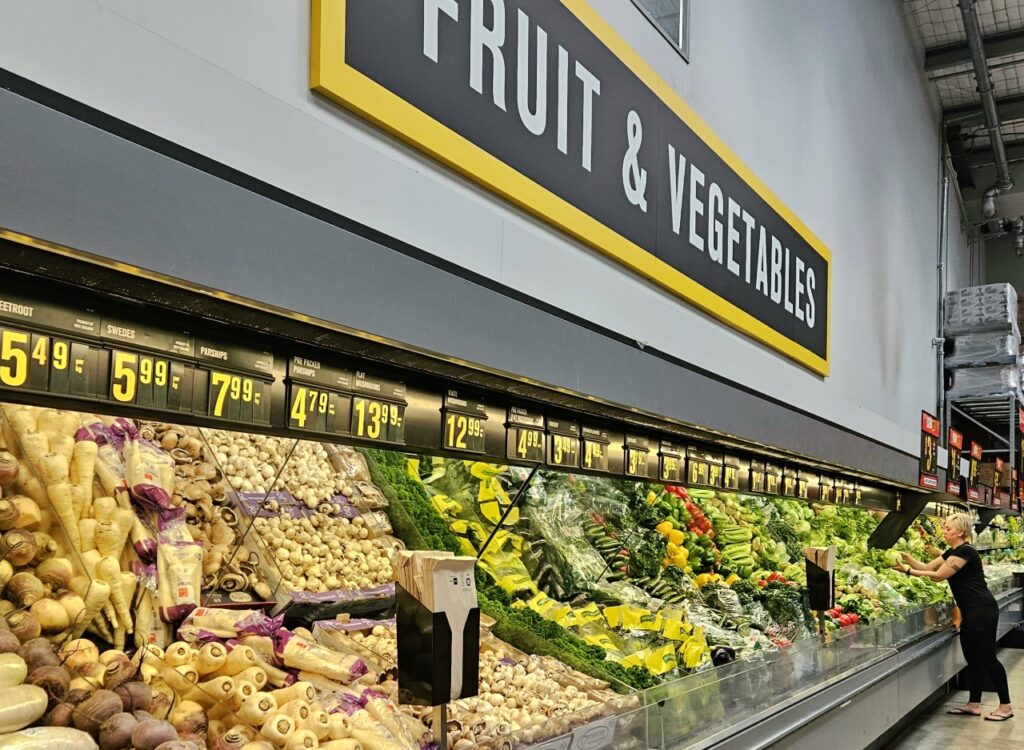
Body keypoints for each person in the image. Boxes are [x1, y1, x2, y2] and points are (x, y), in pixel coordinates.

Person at [898, 512, 1012, 721]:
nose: (944, 531)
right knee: (973, 659)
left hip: (981, 610)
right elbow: (926, 568)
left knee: (988, 658)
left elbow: (939, 576)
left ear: (960, 531)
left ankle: (1006, 706)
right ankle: (974, 704)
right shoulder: (952, 552)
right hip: (970, 611)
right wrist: (906, 558)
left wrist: (907, 572)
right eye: (944, 527)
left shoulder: (965, 552)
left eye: (948, 528)